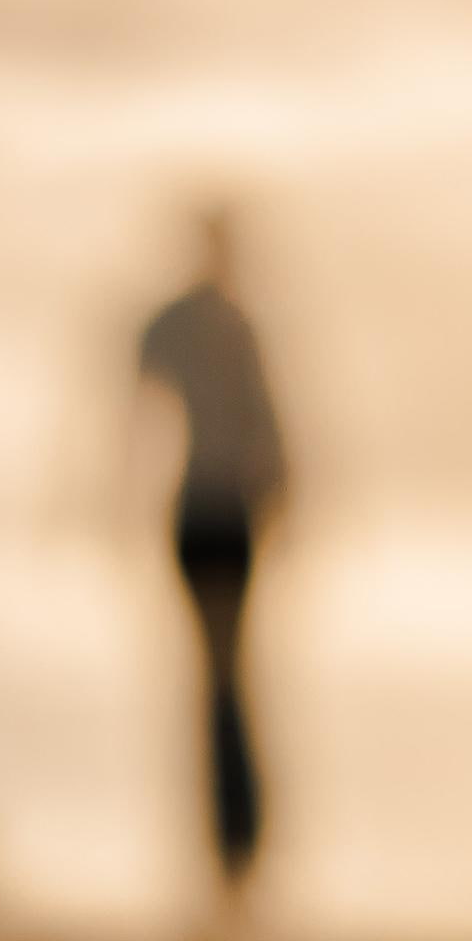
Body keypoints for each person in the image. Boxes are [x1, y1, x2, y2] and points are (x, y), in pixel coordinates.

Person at [132, 203, 291, 893]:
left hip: (217, 513)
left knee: (223, 675)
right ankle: (232, 851)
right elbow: (137, 423)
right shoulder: (215, 323)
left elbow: (273, 429)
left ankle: (237, 850)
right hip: (211, 512)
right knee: (222, 675)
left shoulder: (206, 323)